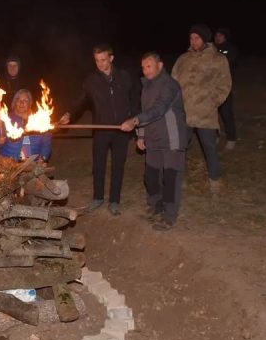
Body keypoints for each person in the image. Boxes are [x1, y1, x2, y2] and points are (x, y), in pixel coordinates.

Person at [59, 45, 140, 215]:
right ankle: (98, 198)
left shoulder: (124, 77)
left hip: (121, 130)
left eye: (103, 60)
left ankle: (114, 201)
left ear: (111, 58)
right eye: (97, 60)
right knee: (99, 165)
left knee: (118, 165)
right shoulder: (91, 81)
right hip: (101, 130)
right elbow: (80, 101)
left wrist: (132, 119)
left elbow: (134, 99)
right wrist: (69, 114)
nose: (100, 64)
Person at [121, 52, 188, 231]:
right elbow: (145, 110)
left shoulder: (170, 85)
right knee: (151, 176)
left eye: (149, 66)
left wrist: (134, 121)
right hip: (153, 138)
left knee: (171, 178)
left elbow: (159, 109)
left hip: (171, 138)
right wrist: (141, 135)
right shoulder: (147, 87)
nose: (146, 70)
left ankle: (170, 216)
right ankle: (156, 206)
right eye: (143, 67)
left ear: (160, 65)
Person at [171, 24, 231, 194]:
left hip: (206, 113)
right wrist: (175, 102)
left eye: (196, 38)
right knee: (180, 146)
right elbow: (173, 82)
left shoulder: (218, 59)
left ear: (205, 39)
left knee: (209, 148)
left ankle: (215, 180)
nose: (193, 41)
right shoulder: (183, 59)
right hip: (184, 112)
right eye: (191, 38)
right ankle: (179, 178)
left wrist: (213, 101)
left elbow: (225, 85)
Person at [0, 89, 52, 162]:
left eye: (25, 100)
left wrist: (43, 158)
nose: (21, 102)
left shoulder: (39, 120)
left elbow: (46, 143)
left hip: (33, 163)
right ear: (15, 103)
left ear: (30, 103)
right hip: (10, 163)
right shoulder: (6, 119)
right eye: (18, 100)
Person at [214, 28, 239, 150]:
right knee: (213, 113)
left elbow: (228, 63)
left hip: (225, 86)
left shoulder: (231, 49)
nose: (218, 37)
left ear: (225, 37)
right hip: (212, 86)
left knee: (226, 112)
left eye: (220, 35)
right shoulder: (212, 49)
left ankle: (231, 138)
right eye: (216, 35)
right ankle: (215, 136)